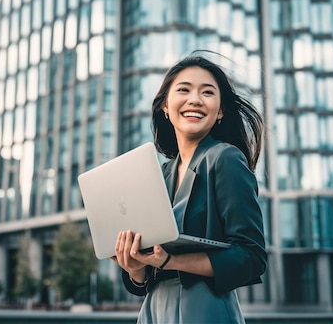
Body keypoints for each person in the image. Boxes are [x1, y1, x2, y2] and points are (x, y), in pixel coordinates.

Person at [112, 52, 267, 323]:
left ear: (220, 112)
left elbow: (250, 257)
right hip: (154, 312)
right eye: (184, 90)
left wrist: (170, 261)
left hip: (205, 311)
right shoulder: (160, 173)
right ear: (165, 106)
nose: (195, 99)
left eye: (207, 93)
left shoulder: (225, 158)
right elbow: (146, 278)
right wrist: (136, 267)